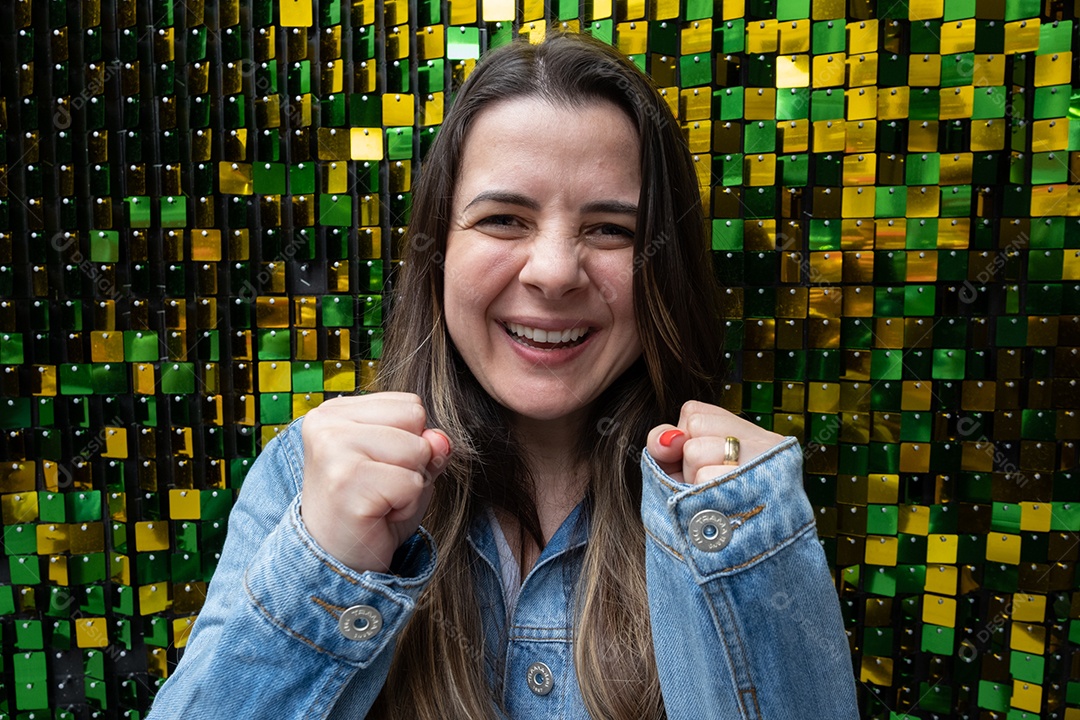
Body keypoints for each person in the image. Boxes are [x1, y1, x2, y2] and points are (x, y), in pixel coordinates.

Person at [149, 31, 859, 719]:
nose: (553, 273)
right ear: (439, 253)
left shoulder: (739, 506)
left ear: (662, 269)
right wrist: (327, 564)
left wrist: (752, 556)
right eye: (504, 219)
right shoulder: (304, 478)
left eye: (611, 230)